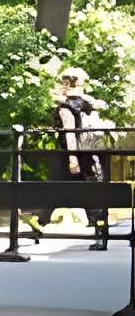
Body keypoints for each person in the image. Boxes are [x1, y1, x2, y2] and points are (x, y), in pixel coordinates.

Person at [52, 67, 111, 249]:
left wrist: (72, 159)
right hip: (92, 151)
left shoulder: (66, 107)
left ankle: (37, 221)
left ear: (66, 83)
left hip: (75, 154)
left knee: (55, 188)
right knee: (94, 192)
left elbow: (70, 133)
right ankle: (101, 234)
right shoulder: (88, 103)